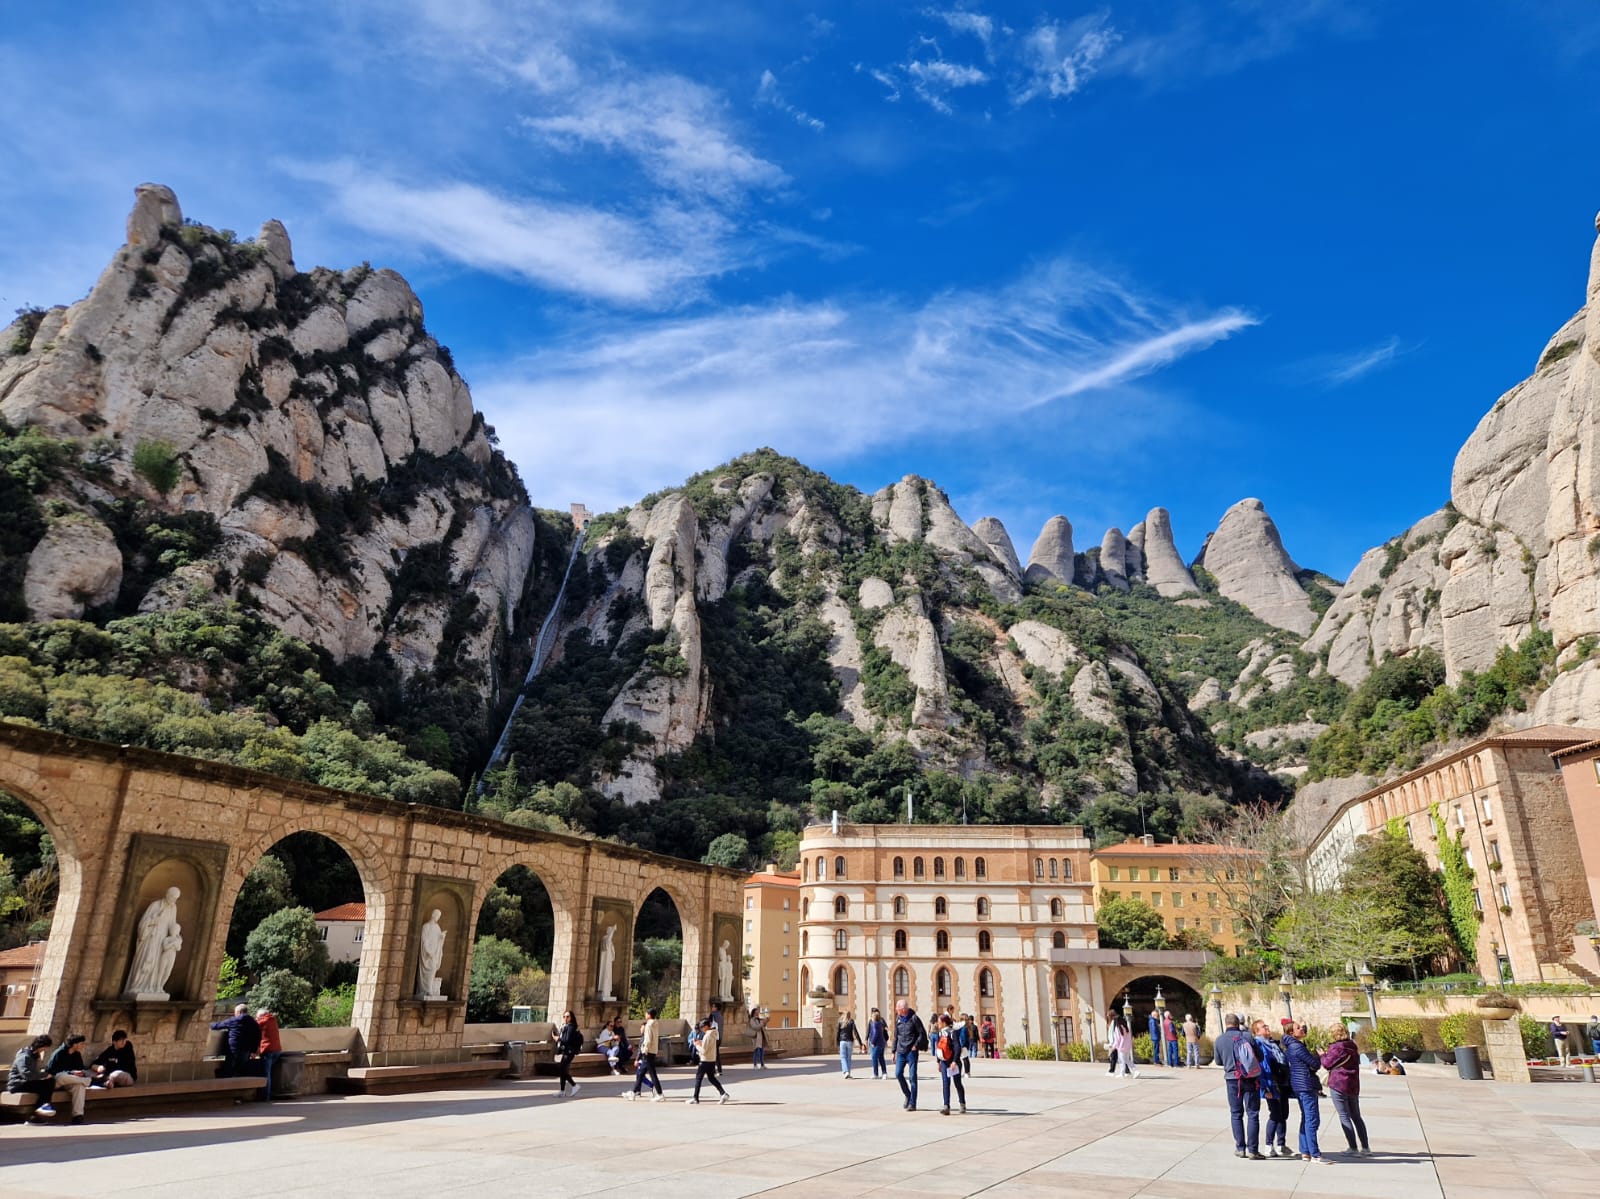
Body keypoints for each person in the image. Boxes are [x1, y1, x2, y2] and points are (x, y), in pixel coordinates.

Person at [1212, 1014, 1262, 1159]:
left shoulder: (1219, 1040)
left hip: (1232, 1079)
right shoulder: (1247, 1036)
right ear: (1238, 1023)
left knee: (1236, 1113)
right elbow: (1260, 1056)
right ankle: (1253, 1150)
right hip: (1250, 1078)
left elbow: (1218, 1061)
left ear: (1226, 1023)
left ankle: (1240, 1148)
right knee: (1252, 1113)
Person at [1283, 1021, 1331, 1164]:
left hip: (1300, 1084)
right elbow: (1314, 1064)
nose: (1302, 1029)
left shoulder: (1292, 1046)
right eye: (1298, 1028)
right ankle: (1315, 1154)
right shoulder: (1297, 1047)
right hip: (1305, 1085)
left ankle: (1305, 1151)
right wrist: (1319, 1056)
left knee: (1306, 1118)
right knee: (1312, 1119)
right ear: (1291, 1033)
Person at [1321, 1022, 1370, 1156]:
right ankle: (1365, 1147)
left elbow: (1327, 1064)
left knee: (1344, 1116)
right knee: (1356, 1116)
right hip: (1353, 1084)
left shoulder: (1336, 1047)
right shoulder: (1352, 1046)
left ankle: (1353, 1148)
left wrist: (1322, 1055)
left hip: (1338, 1083)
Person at [1251, 1020, 1291, 1158]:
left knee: (1283, 1114)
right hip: (1270, 1083)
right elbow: (1262, 1067)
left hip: (1281, 1081)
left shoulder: (1272, 1044)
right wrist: (1265, 1088)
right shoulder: (1259, 1045)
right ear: (1257, 1032)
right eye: (1263, 1027)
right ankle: (1269, 1145)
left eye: (1267, 1025)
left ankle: (1281, 1144)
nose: (1267, 1028)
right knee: (1275, 1114)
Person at [44, 1034, 92, 1124]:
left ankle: (78, 1116)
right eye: (81, 1044)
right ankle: (88, 1081)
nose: (83, 1046)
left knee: (79, 1086)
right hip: (55, 1081)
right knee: (62, 1076)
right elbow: (50, 1071)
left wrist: (80, 1073)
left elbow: (81, 1069)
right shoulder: (59, 1053)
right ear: (75, 1044)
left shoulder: (77, 1054)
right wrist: (71, 1072)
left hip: (71, 1081)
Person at [7, 1034, 57, 1119]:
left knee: (49, 1083)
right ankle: (40, 1109)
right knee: (48, 1084)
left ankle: (39, 1110)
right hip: (17, 1084)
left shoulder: (33, 1056)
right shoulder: (24, 1056)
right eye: (44, 1048)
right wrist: (44, 1075)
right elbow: (27, 1074)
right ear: (40, 1046)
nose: (44, 1050)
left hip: (25, 1082)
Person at [894, 999, 929, 1111]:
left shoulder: (914, 1018)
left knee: (913, 1077)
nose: (896, 1010)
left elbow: (922, 1033)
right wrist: (894, 1051)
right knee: (898, 1074)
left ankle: (913, 1103)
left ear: (903, 1009)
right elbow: (896, 1036)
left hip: (911, 1052)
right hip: (901, 1051)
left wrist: (916, 1045)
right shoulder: (898, 1019)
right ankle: (908, 1095)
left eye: (898, 1009)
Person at [686, 1017, 729, 1104]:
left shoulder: (707, 1035)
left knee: (698, 1078)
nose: (701, 1029)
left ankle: (695, 1098)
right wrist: (701, 1042)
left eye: (702, 1027)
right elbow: (708, 1046)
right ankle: (723, 1093)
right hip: (711, 1060)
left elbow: (704, 1051)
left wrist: (696, 1045)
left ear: (706, 1026)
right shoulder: (713, 1033)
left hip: (705, 1060)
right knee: (711, 1078)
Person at [211, 1003, 261, 1078]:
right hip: (246, 1050)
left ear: (239, 1012)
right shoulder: (253, 1022)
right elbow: (257, 1036)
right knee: (241, 1070)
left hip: (233, 1049)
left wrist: (207, 1024)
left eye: (235, 1012)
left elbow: (218, 1025)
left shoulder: (234, 1020)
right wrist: (253, 1050)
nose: (234, 1014)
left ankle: (228, 1083)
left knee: (229, 1070)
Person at [627, 1007, 665, 1101]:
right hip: (653, 1050)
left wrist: (645, 1050)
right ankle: (634, 1092)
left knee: (650, 1074)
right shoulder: (655, 1024)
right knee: (641, 1073)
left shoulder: (648, 1025)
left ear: (649, 1015)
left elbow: (648, 1039)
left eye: (646, 1013)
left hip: (648, 1052)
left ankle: (659, 1093)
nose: (645, 1015)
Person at [935, 1013, 967, 1115]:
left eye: (939, 1022)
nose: (938, 1024)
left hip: (954, 1062)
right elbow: (939, 1048)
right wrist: (938, 1062)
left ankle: (962, 1103)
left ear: (944, 1023)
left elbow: (957, 1047)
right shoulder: (940, 1033)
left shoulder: (953, 1033)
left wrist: (954, 1061)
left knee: (957, 1083)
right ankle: (946, 1106)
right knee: (945, 1083)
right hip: (944, 1062)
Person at [554, 1009, 583, 1098]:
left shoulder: (571, 1027)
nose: (565, 1018)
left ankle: (574, 1085)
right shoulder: (567, 1026)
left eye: (568, 1016)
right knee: (562, 1070)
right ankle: (562, 1091)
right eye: (564, 1017)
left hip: (569, 1052)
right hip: (566, 1051)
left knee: (562, 1070)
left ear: (571, 1017)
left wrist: (558, 1038)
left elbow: (567, 1040)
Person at [255, 1008, 283, 1100]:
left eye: (257, 1016)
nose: (257, 1018)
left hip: (268, 1050)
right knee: (269, 1072)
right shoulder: (273, 1020)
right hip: (277, 1050)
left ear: (261, 1016)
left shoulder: (263, 1021)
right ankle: (269, 1093)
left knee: (266, 1073)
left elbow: (254, 1026)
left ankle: (265, 1096)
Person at [837, 1009, 865, 1078]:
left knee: (843, 1057)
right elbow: (856, 1033)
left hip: (842, 1041)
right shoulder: (851, 1021)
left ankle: (846, 1072)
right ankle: (848, 1073)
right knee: (848, 1058)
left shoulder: (840, 1021)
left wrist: (837, 1042)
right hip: (850, 1041)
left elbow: (838, 1033)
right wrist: (860, 1043)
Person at [865, 1007, 890, 1079]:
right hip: (881, 1042)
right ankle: (884, 1073)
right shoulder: (879, 1022)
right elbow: (869, 1030)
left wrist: (872, 1042)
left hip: (876, 1043)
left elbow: (875, 1033)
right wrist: (866, 1038)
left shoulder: (875, 1023)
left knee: (874, 1058)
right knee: (881, 1058)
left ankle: (876, 1074)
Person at [1111, 1011, 1137, 1077]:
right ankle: (1135, 1071)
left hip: (1121, 1047)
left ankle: (1122, 1073)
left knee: (1121, 1061)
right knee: (1127, 1060)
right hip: (1127, 1047)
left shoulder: (1117, 1029)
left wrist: (1113, 1047)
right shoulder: (1126, 1028)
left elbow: (1117, 1040)